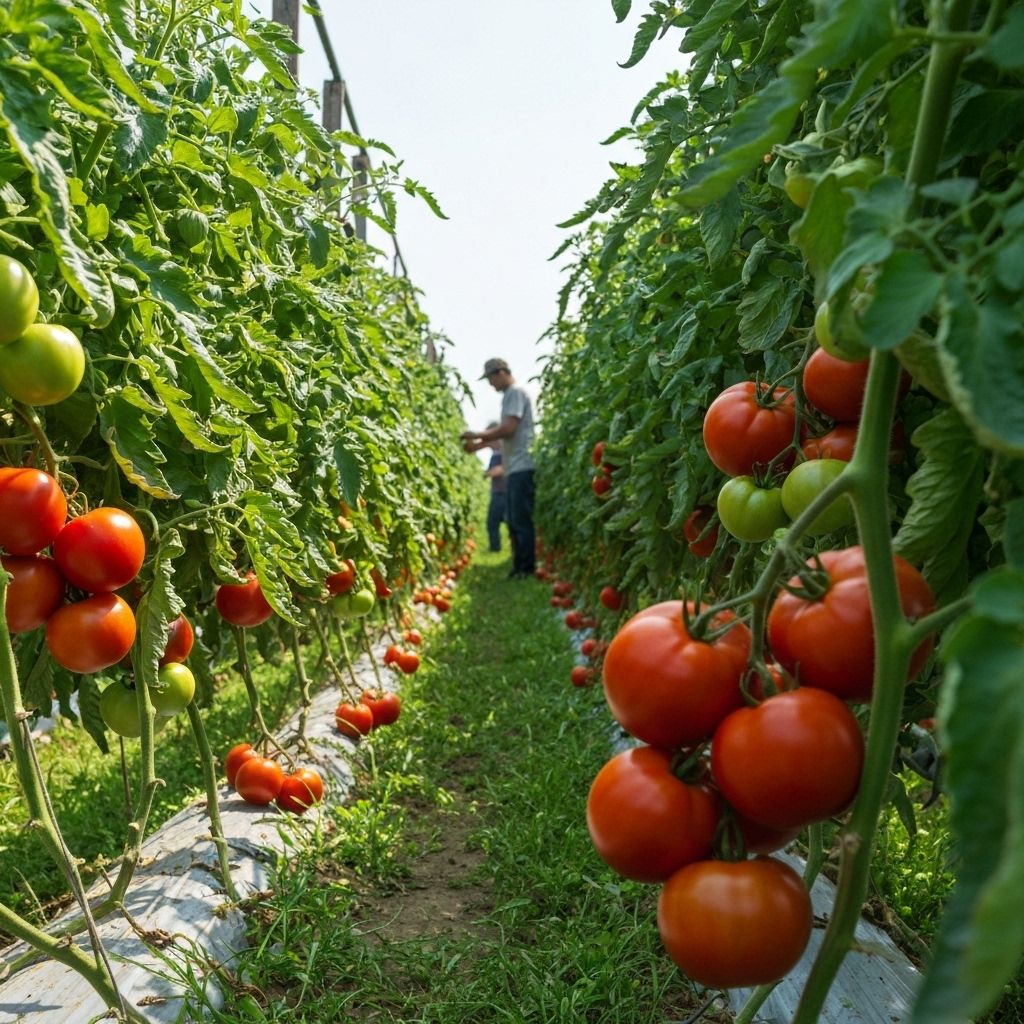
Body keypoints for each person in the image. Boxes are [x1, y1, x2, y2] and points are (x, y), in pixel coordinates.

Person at [462, 358, 536, 578]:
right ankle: (519, 567)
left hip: (521, 465)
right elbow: (504, 438)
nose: (491, 384)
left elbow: (508, 429)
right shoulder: (511, 395)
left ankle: (526, 568)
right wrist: (478, 445)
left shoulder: (514, 393)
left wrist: (478, 435)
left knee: (520, 520)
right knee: (514, 519)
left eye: (491, 379)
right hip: (515, 466)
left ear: (501, 373)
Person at [483, 426, 510, 553]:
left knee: (494, 521)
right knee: (495, 521)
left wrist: (487, 473)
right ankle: (497, 547)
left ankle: (496, 548)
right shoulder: (498, 453)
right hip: (500, 491)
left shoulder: (502, 453)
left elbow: (501, 469)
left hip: (502, 492)